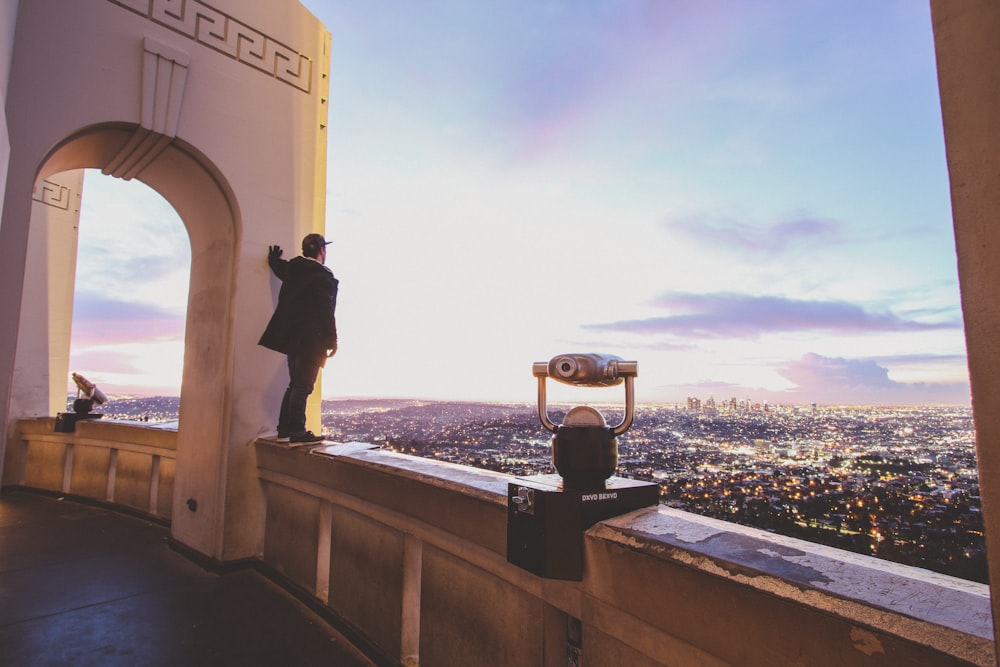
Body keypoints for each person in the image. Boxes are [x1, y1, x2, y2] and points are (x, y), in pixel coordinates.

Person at [259, 233, 339, 444]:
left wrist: (274, 261)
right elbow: (325, 310)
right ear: (322, 250)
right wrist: (332, 340)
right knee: (304, 386)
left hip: (292, 338)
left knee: (295, 383)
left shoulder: (295, 268)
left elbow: (281, 269)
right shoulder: (323, 277)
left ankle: (285, 430)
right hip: (312, 339)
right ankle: (296, 430)